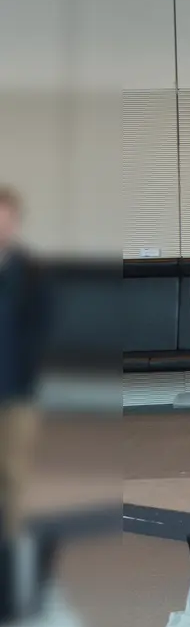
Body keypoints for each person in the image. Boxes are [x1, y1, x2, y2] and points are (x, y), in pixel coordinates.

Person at [0, 187, 47, 538]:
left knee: (14, 472)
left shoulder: (31, 273)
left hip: (18, 390)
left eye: (6, 220)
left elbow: (41, 328)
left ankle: (10, 542)